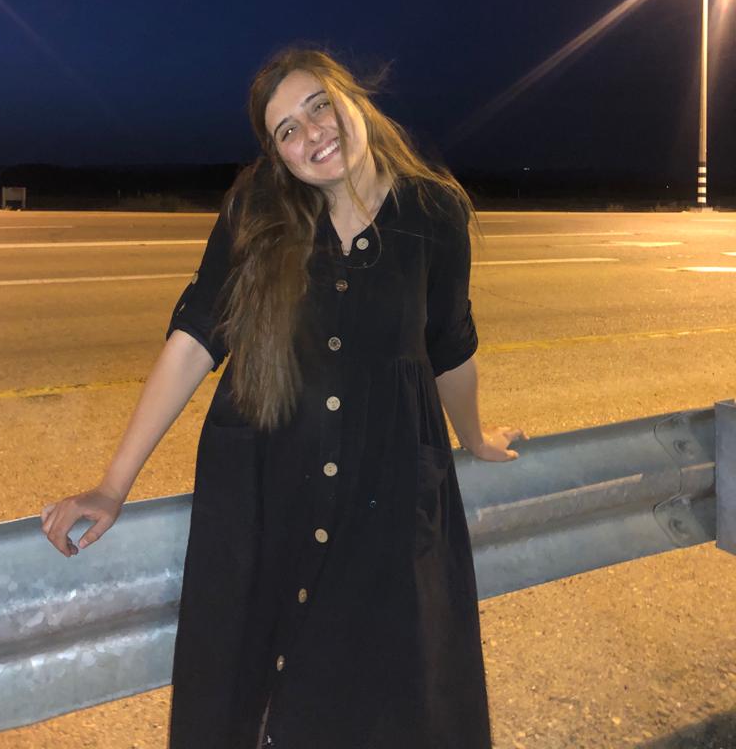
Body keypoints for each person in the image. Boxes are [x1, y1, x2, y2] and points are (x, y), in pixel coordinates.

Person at [41, 47, 526, 749]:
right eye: (287, 131)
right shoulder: (256, 211)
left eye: (318, 105)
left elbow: (449, 342)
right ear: (278, 156)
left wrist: (473, 437)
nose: (312, 133)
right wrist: (113, 485)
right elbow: (195, 337)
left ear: (353, 99)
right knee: (250, 691)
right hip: (263, 484)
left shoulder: (435, 210)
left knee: (380, 696)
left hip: (384, 487)